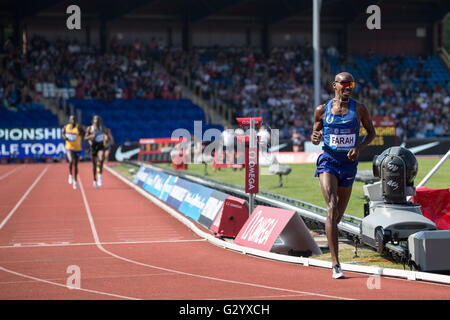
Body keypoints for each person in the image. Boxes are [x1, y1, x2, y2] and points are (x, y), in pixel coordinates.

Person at [311, 72, 375, 279]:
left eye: (351, 84)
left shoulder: (360, 109)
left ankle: (330, 234)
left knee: (336, 217)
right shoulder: (322, 110)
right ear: (335, 86)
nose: (348, 88)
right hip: (328, 161)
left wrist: (359, 147)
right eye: (345, 84)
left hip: (348, 165)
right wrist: (315, 136)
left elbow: (371, 132)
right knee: (332, 206)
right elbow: (315, 133)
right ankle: (336, 264)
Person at [85, 115, 113, 189]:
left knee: (101, 159)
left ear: (100, 122)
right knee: (94, 165)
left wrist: (108, 139)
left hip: (100, 146)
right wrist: (91, 137)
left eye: (98, 120)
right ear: (93, 121)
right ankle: (94, 180)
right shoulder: (89, 128)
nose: (96, 121)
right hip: (93, 146)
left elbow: (108, 135)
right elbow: (85, 138)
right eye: (95, 120)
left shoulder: (102, 128)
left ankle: (100, 175)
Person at [62, 115, 84, 190]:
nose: (73, 121)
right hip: (69, 148)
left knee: (76, 165)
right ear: (69, 120)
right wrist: (65, 137)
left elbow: (84, 134)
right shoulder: (66, 127)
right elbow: (63, 134)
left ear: (76, 120)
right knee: (71, 161)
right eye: (71, 119)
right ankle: (70, 175)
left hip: (77, 148)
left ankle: (75, 181)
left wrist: (79, 133)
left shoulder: (79, 127)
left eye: (74, 119)